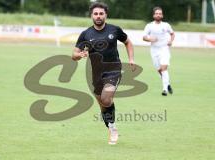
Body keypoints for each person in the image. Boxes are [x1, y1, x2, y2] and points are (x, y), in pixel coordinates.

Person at [72, 2, 135, 144]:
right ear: (91, 16)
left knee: (106, 99)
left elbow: (128, 42)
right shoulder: (86, 34)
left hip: (113, 69)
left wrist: (131, 59)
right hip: (96, 73)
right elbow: (74, 54)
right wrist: (79, 55)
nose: (98, 16)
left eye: (101, 13)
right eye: (96, 14)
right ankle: (111, 126)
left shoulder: (114, 30)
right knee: (102, 104)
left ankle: (113, 129)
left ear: (106, 15)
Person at [143, 6, 175, 96]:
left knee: (164, 68)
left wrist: (170, 41)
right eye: (156, 13)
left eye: (160, 14)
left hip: (164, 49)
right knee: (160, 70)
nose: (158, 15)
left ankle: (164, 89)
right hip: (154, 50)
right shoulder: (149, 26)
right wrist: (150, 39)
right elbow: (144, 37)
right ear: (153, 15)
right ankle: (168, 84)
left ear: (162, 15)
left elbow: (172, 34)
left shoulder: (166, 25)